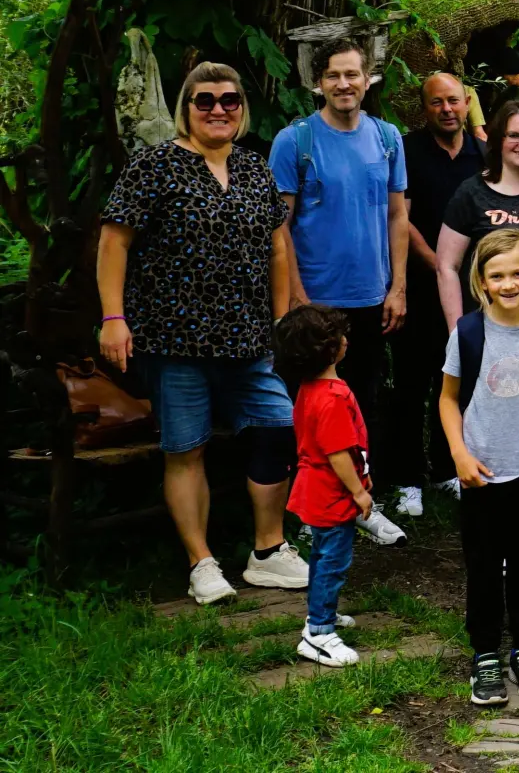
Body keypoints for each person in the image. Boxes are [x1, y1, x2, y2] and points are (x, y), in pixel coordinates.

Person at [97, 62, 307, 605]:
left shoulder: (253, 167)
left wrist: (280, 320)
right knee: (185, 448)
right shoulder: (155, 165)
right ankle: (202, 562)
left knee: (278, 428)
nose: (218, 109)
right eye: (205, 100)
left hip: (250, 340)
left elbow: (277, 247)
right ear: (186, 108)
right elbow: (114, 242)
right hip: (174, 340)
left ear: (242, 109)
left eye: (229, 100)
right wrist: (114, 318)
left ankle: (268, 550)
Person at [269, 38, 409, 548]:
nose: (344, 84)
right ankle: (314, 512)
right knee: (311, 410)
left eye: (353, 74)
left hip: (371, 298)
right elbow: (279, 227)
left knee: (361, 406)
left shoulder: (387, 137)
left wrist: (398, 286)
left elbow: (397, 214)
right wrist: (296, 298)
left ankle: (362, 502)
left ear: (368, 79)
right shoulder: (295, 141)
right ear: (318, 83)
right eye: (333, 75)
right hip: (315, 302)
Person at [441, 228, 519, 707]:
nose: (509, 283)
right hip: (480, 472)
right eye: (497, 276)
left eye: (518, 273)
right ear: (482, 281)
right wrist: (459, 453)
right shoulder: (468, 333)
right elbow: (448, 399)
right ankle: (484, 652)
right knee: (482, 564)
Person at [394, 72, 487, 516]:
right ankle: (406, 478)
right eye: (436, 102)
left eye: (453, 101)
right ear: (424, 108)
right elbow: (400, 216)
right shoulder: (408, 151)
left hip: (472, 290)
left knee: (457, 379)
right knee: (411, 384)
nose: (446, 110)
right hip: (419, 283)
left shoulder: (483, 155)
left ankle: (448, 468)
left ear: (467, 103)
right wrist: (438, 264)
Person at [276, 305, 373, 668]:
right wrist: (358, 491)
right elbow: (337, 453)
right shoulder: (332, 398)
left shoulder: (311, 388)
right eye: (338, 335)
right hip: (331, 493)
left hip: (316, 488)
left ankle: (322, 613)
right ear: (330, 348)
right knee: (333, 561)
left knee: (321, 555)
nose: (346, 339)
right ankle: (318, 633)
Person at [436, 102, 519, 331]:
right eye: (514, 136)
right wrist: (457, 332)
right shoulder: (472, 192)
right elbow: (446, 266)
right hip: (490, 325)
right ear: (498, 140)